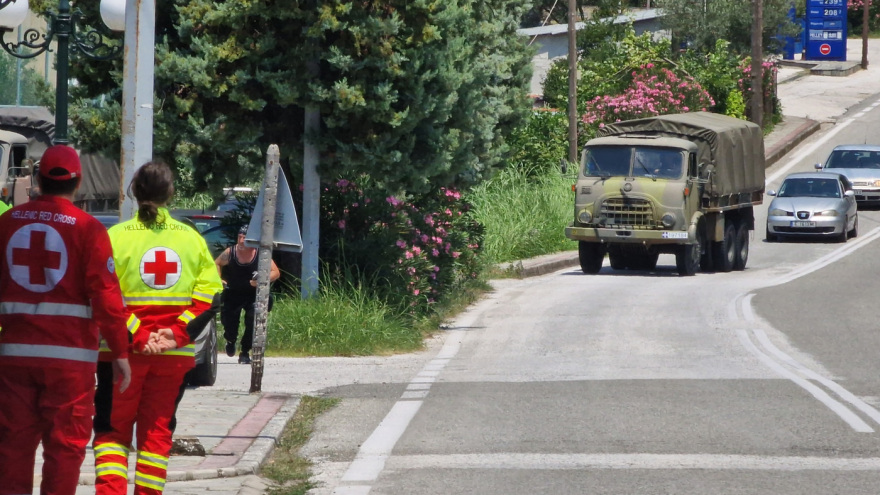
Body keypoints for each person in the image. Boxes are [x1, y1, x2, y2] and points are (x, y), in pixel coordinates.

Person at [0, 144, 131, 495]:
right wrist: (120, 352)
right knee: (65, 449)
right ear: (79, 182)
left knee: (12, 447)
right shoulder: (88, 230)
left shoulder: (6, 223)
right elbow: (106, 297)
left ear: (38, 180)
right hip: (70, 363)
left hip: (13, 359)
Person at [92, 160, 222, 494]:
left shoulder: (115, 237)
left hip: (119, 356)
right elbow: (210, 294)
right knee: (157, 434)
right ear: (170, 193)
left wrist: (138, 332)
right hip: (172, 357)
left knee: (111, 436)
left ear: (133, 193)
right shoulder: (191, 239)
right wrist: (175, 333)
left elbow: (104, 294)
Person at [215, 224, 280, 364]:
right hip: (233, 293)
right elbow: (216, 263)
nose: (241, 240)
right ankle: (230, 340)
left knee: (253, 321)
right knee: (230, 324)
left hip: (253, 295)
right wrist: (219, 280)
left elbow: (276, 272)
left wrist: (261, 281)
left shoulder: (260, 254)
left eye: (245, 238)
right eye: (239, 237)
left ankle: (245, 352)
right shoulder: (230, 253)